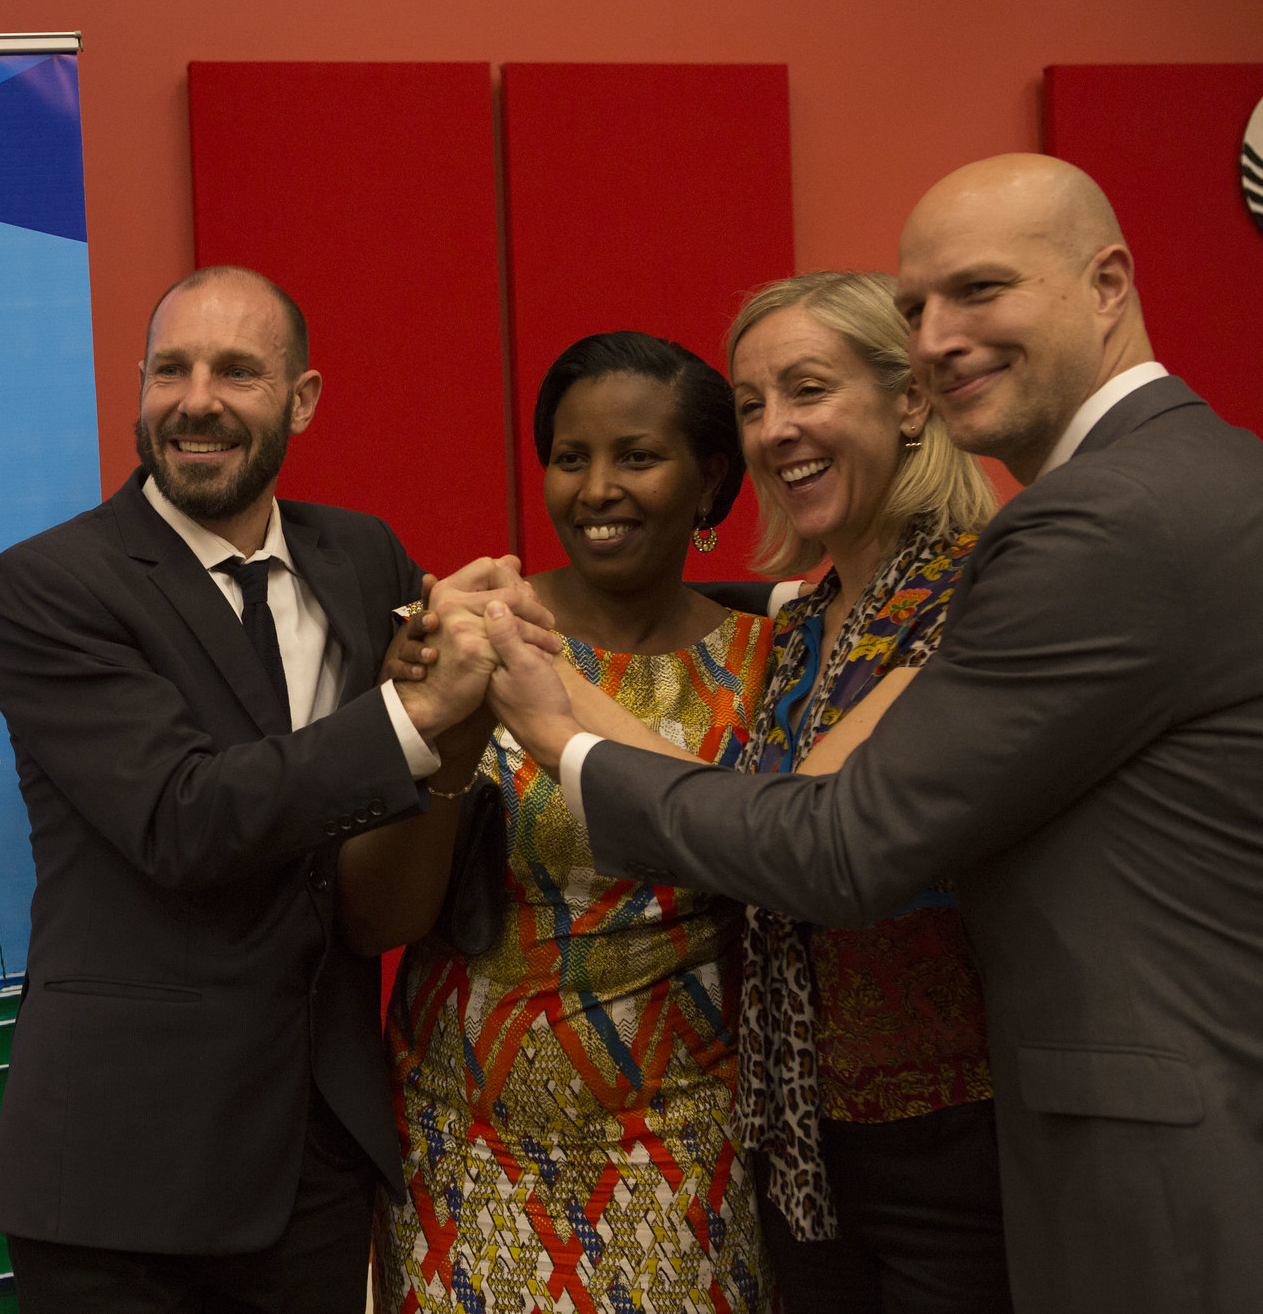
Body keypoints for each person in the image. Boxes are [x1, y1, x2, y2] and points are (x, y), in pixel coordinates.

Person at [480, 154, 1263, 1312]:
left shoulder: (1082, 525)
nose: (940, 339)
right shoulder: (812, 614)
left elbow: (831, 844)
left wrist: (557, 737)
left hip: (1055, 1138)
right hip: (811, 1144)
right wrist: (531, 658)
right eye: (915, 311)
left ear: (1106, 284)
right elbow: (747, 795)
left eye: (979, 291)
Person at [0, 265, 549, 1311]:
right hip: (123, 1178)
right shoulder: (50, 583)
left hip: (314, 1153)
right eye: (170, 370)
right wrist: (414, 715)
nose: (196, 399)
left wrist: (483, 619)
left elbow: (439, 735)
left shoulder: (359, 553)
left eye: (236, 370)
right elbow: (181, 819)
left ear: (301, 399)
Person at [339, 331, 775, 1312]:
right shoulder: (465, 638)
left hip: (682, 1152)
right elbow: (375, 916)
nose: (595, 489)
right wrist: (443, 725)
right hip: (467, 1147)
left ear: (709, 478)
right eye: (569, 459)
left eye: (636, 457)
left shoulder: (768, 660)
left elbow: (790, 865)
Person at [725, 271, 1006, 1310]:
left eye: (805, 390)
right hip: (799, 1143)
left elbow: (798, 828)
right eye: (750, 405)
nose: (773, 430)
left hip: (956, 1141)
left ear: (907, 400)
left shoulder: (977, 590)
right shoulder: (799, 625)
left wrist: (554, 708)